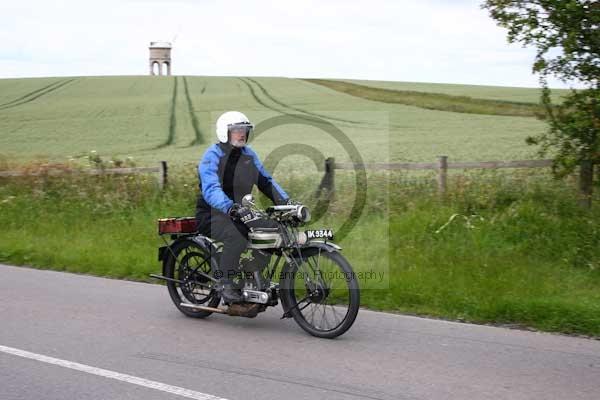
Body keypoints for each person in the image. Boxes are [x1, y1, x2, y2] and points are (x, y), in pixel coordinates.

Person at [195, 111, 297, 304]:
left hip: (242, 212)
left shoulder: (248, 155)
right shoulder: (212, 156)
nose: (241, 134)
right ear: (224, 132)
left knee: (273, 230)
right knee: (237, 235)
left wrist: (288, 203)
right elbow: (211, 189)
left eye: (244, 130)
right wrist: (230, 207)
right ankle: (225, 284)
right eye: (236, 130)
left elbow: (266, 182)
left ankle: (251, 268)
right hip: (212, 214)